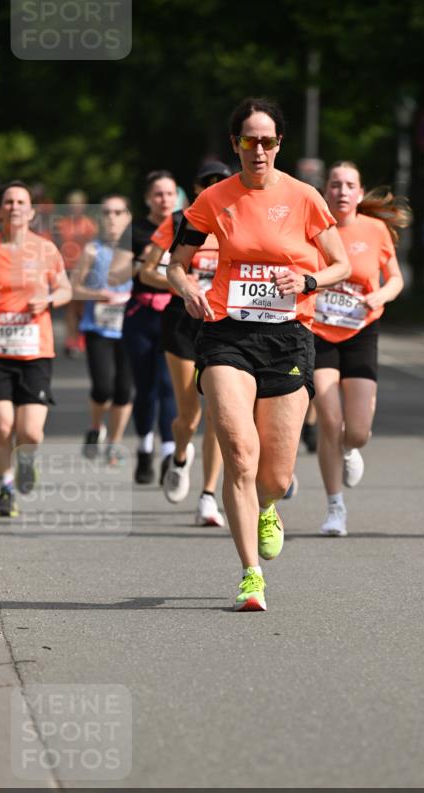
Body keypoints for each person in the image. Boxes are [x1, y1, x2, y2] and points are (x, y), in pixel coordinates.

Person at [167, 97, 350, 610]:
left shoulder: (306, 197)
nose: (259, 150)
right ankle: (250, 574)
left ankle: (268, 505)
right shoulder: (212, 201)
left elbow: (340, 265)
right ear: (236, 145)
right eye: (249, 140)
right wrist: (185, 287)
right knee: (239, 455)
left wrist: (308, 278)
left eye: (268, 141)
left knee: (275, 474)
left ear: (279, 145)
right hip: (226, 333)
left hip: (288, 336)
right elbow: (175, 264)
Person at [312, 161, 410, 536]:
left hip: (361, 331)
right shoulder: (314, 228)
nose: (341, 191)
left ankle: (351, 450)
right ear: (325, 190)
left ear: (359, 192)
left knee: (357, 431)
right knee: (329, 420)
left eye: (349, 185)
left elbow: (395, 278)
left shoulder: (376, 229)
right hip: (319, 332)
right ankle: (335, 506)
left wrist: (379, 297)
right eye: (335, 185)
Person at [141, 162, 231, 525]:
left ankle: (208, 496)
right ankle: (180, 455)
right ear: (194, 190)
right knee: (189, 414)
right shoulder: (181, 220)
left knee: (217, 413)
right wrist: (183, 284)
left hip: (223, 322)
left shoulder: (239, 219)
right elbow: (148, 270)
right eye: (205, 184)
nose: (212, 189)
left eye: (219, 183)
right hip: (181, 321)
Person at [0, 181, 72, 517]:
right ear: (0, 209)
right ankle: (5, 489)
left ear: (32, 211)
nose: (15, 206)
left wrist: (47, 299)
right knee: (3, 427)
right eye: (9, 201)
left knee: (29, 432)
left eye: (21, 201)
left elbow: (64, 289)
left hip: (36, 350)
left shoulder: (46, 249)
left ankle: (27, 459)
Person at [121, 170, 178, 484]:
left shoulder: (185, 226)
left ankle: (169, 452)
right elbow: (117, 272)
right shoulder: (136, 230)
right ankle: (145, 448)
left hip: (175, 314)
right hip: (141, 315)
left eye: (169, 194)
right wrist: (142, 263)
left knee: (170, 385)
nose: (164, 200)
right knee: (145, 387)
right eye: (158, 194)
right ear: (147, 199)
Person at [70, 195, 133, 465]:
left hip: (130, 328)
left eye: (118, 212)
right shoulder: (92, 250)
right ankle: (96, 427)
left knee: (124, 390)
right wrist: (97, 294)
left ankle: (115, 443)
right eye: (106, 212)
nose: (112, 218)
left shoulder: (137, 250)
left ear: (128, 217)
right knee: (103, 387)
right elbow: (73, 287)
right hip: (98, 328)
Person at [57, 190, 98, 358]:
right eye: (72, 204)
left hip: (84, 269)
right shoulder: (61, 224)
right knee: (70, 306)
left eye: (78, 204)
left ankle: (80, 338)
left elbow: (94, 248)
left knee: (81, 306)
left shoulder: (90, 225)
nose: (75, 207)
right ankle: (70, 339)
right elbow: (57, 245)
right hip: (67, 267)